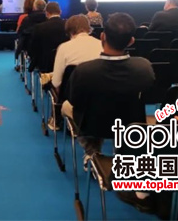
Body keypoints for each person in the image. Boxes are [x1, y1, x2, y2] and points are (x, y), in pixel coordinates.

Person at [65, 13, 154, 157]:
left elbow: (74, 100)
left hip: (93, 126)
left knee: (67, 106)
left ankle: (92, 152)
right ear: (131, 41)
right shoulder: (144, 67)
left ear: (102, 36)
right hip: (130, 125)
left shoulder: (84, 70)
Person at [47, 15, 103, 130]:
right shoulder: (102, 45)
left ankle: (56, 119)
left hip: (73, 101)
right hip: (100, 100)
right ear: (88, 28)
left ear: (69, 31)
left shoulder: (64, 48)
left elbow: (56, 83)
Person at [29, 2, 69, 72]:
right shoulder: (68, 26)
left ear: (47, 13)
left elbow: (33, 47)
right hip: (65, 62)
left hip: (45, 63)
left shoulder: (39, 27)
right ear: (60, 12)